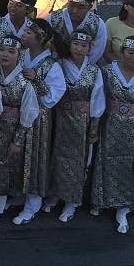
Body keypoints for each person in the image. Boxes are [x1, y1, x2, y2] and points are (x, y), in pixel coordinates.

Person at [92, 35, 134, 234]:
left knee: (129, 165)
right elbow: (98, 98)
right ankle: (101, 199)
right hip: (109, 124)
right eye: (130, 53)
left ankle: (123, 206)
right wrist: (95, 124)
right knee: (104, 161)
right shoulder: (107, 72)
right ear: (122, 52)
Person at [0, 36, 40, 231]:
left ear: (19, 55)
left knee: (2, 169)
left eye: (11, 51)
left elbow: (29, 112)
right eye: (2, 50)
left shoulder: (24, 81)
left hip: (10, 130)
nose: (5, 54)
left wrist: (18, 139)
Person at [11, 17, 66, 225]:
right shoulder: (21, 55)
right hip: (15, 113)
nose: (23, 35)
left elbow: (52, 98)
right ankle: (17, 194)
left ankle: (32, 203)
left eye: (27, 33)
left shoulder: (51, 65)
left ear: (39, 39)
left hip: (37, 118)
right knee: (15, 156)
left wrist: (37, 80)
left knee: (34, 158)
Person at [47, 30, 103, 223]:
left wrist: (93, 127)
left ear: (89, 49)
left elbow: (97, 100)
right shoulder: (59, 65)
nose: (79, 49)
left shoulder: (94, 71)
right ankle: (56, 193)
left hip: (82, 121)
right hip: (60, 117)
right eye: (75, 44)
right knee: (56, 155)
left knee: (78, 160)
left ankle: (72, 200)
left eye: (84, 46)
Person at [47, 0, 108, 65]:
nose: (75, 11)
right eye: (71, 5)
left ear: (90, 6)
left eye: (81, 7)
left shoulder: (97, 24)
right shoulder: (53, 19)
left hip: (85, 67)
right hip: (54, 65)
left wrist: (81, 68)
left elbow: (97, 51)